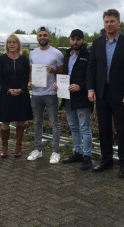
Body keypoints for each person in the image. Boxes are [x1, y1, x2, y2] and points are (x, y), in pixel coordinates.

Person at [86, 9, 124, 178]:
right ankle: (106, 159)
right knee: (104, 128)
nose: (109, 24)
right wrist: (90, 88)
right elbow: (92, 68)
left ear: (119, 23)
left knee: (122, 129)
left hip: (121, 93)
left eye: (112, 21)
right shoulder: (97, 43)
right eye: (106, 21)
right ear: (103, 23)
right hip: (101, 92)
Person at [53, 29, 94, 170]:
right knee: (74, 127)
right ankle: (77, 152)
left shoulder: (88, 55)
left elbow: (91, 76)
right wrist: (58, 84)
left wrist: (81, 86)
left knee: (84, 128)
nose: (75, 42)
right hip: (67, 97)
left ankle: (87, 156)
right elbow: (64, 74)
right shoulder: (67, 56)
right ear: (70, 40)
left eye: (78, 39)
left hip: (82, 97)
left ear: (82, 40)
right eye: (73, 39)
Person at [27, 26, 64, 164]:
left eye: (45, 35)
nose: (42, 37)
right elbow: (31, 70)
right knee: (37, 122)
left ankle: (55, 151)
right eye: (40, 35)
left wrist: (52, 70)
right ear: (37, 37)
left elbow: (61, 73)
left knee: (54, 123)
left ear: (49, 37)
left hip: (51, 93)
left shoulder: (57, 53)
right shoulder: (33, 53)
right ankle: (38, 149)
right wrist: (30, 81)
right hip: (36, 93)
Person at [0, 34, 33, 158]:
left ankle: (18, 147)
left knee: (21, 120)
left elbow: (27, 76)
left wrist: (21, 89)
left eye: (14, 42)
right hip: (6, 94)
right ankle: (4, 147)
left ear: (18, 44)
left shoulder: (24, 59)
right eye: (9, 42)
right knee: (5, 121)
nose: (11, 44)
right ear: (7, 45)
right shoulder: (2, 59)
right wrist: (8, 89)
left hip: (21, 94)